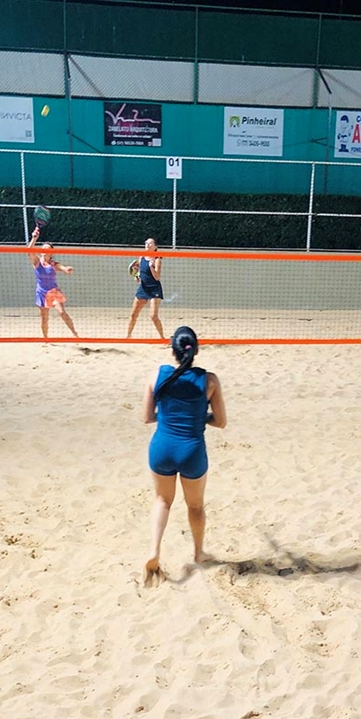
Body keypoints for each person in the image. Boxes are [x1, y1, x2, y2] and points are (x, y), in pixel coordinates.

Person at [142, 326, 227, 585]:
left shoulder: (157, 375)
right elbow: (221, 422)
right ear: (196, 351)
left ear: (173, 351)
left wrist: (170, 416)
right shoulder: (209, 380)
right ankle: (199, 553)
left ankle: (154, 551)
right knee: (195, 506)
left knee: (162, 500)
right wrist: (200, 417)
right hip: (191, 450)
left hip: (162, 447)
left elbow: (147, 417)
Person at [27, 226, 78, 341]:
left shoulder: (54, 264)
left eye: (47, 249)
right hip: (41, 292)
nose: (45, 250)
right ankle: (46, 339)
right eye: (43, 248)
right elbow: (29, 251)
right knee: (44, 318)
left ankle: (75, 334)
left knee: (62, 313)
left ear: (51, 253)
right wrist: (34, 238)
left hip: (53, 292)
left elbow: (62, 268)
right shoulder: (37, 262)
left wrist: (66, 269)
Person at [127, 238, 165, 340]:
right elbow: (139, 274)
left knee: (153, 316)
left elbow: (157, 277)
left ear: (155, 247)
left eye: (150, 243)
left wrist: (151, 267)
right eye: (146, 243)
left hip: (154, 289)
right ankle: (128, 336)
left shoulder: (157, 259)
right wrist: (137, 276)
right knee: (133, 315)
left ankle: (162, 338)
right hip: (143, 288)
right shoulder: (141, 257)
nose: (147, 245)